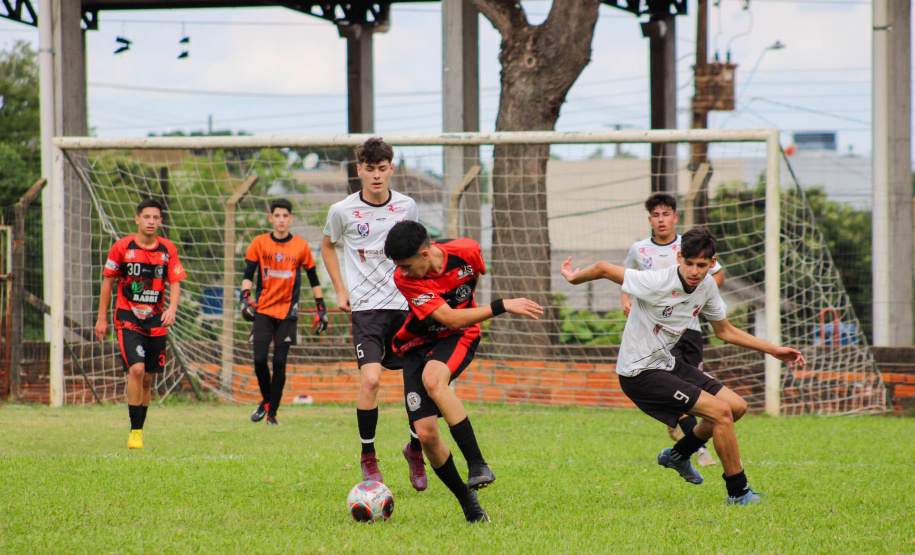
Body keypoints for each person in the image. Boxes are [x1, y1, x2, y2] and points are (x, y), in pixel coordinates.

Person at [562, 227, 805, 505]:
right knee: (721, 412)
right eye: (688, 263)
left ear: (712, 264)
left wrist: (773, 349)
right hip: (639, 372)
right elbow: (603, 268)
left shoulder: (707, 285)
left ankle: (677, 455)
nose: (693, 270)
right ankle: (738, 493)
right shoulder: (656, 281)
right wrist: (572, 278)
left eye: (701, 265)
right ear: (679, 257)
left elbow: (724, 331)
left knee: (737, 407)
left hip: (666, 362)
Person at [385, 220, 543, 522]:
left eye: (406, 265)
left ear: (426, 253)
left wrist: (471, 306)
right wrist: (502, 305)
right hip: (416, 344)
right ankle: (468, 502)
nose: (401, 273)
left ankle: (477, 463)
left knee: (434, 380)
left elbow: (462, 311)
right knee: (426, 434)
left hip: (458, 337)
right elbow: (448, 317)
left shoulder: (468, 251)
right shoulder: (404, 278)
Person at [322, 137, 428, 490]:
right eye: (370, 169)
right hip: (366, 310)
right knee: (371, 380)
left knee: (418, 382)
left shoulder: (407, 206)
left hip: (405, 306)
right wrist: (339, 289)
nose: (377, 176)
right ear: (360, 171)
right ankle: (368, 457)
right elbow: (327, 245)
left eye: (383, 169)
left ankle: (415, 449)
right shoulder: (342, 210)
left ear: (391, 169)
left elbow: (417, 250)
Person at [621, 192, 724, 467]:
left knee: (692, 385)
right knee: (678, 388)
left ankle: (683, 446)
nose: (661, 219)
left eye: (666, 214)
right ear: (650, 220)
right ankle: (698, 450)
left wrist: (696, 297)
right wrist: (626, 301)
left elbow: (717, 276)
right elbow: (624, 277)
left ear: (675, 217)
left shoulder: (693, 245)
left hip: (689, 328)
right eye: (656, 215)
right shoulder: (639, 249)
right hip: (657, 333)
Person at [95, 199, 187, 449]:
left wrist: (172, 309)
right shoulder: (122, 247)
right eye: (146, 217)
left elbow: (176, 281)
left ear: (160, 221)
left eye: (155, 217)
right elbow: (108, 282)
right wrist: (102, 318)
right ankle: (134, 432)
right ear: (137, 220)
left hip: (156, 321)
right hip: (127, 318)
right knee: (135, 370)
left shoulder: (168, 249)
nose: (151, 221)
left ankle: (139, 429)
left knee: (147, 378)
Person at [240, 198, 328, 426]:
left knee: (279, 362)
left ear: (291, 219)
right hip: (264, 310)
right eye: (276, 216)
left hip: (288, 313)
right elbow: (248, 274)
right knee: (259, 359)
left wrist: (321, 308)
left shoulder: (301, 246)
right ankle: (267, 401)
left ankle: (272, 413)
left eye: (284, 216)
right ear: (271, 218)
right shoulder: (259, 243)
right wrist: (244, 299)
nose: (281, 220)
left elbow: (313, 278)